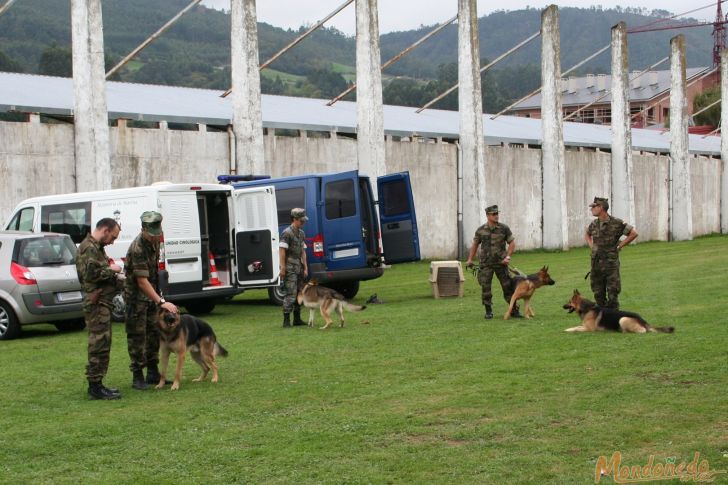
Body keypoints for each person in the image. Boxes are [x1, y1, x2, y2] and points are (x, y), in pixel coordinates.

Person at [124, 211, 178, 390]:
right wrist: (161, 301)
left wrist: (157, 299)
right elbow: (141, 281)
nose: (157, 237)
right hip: (137, 300)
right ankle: (137, 376)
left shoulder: (153, 244)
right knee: (137, 337)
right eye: (153, 234)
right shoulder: (138, 248)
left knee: (154, 335)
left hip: (150, 299)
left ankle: (152, 373)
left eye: (158, 233)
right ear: (143, 230)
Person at [76, 218, 123, 400]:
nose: (113, 241)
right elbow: (91, 274)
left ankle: (98, 383)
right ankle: (95, 386)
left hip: (102, 303)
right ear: (105, 230)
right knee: (98, 343)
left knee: (103, 343)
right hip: (96, 304)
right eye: (112, 236)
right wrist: (112, 269)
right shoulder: (90, 248)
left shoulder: (96, 248)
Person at [466, 205, 522, 319]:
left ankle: (514, 310)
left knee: (508, 287)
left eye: (497, 214)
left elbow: (512, 243)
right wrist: (470, 259)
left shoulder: (504, 228)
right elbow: (475, 245)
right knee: (486, 287)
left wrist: (508, 257)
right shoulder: (481, 230)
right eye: (493, 214)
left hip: (501, 263)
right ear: (488, 215)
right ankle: (488, 311)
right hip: (486, 264)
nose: (496, 216)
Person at [584, 197, 638, 310]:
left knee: (613, 291)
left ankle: (614, 316)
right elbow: (587, 234)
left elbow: (633, 233)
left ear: (601, 207)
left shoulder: (617, 222)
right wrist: (592, 246)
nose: (591, 209)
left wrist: (619, 246)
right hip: (596, 263)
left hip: (610, 263)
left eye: (594, 207)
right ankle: (602, 317)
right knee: (598, 292)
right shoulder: (594, 224)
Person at [279, 208, 309, 327]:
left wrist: (305, 267)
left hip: (299, 267)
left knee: (299, 293)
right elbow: (282, 251)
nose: (303, 223)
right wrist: (282, 268)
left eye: (303, 221)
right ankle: (286, 321)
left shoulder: (301, 233)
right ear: (294, 219)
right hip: (290, 267)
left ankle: (297, 319)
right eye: (301, 221)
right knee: (290, 294)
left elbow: (302, 251)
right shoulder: (287, 233)